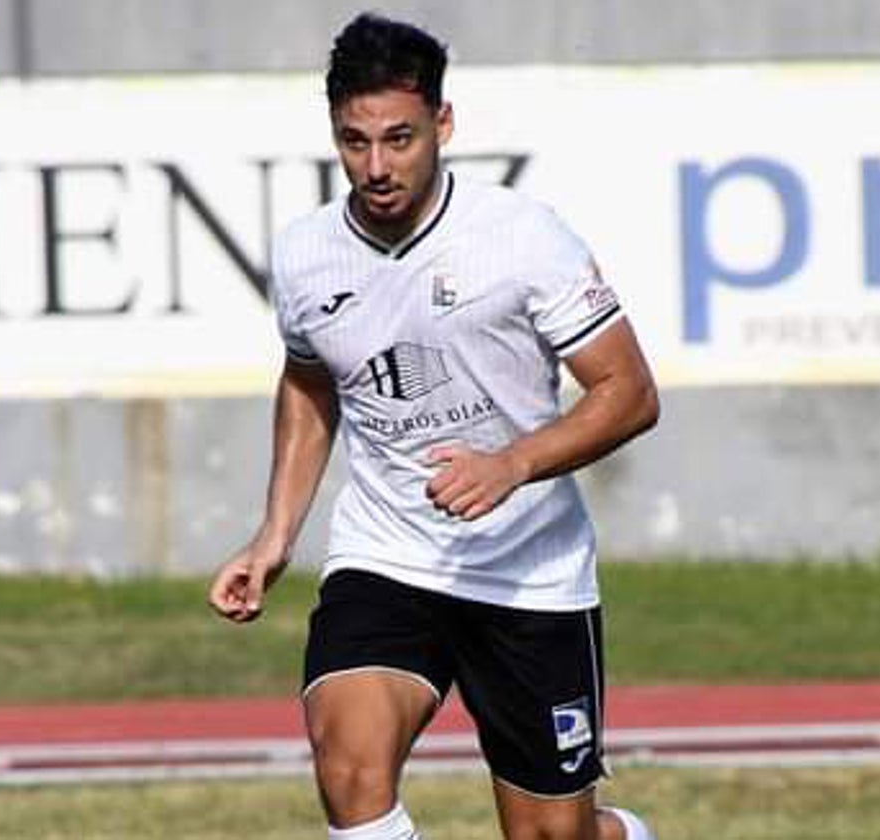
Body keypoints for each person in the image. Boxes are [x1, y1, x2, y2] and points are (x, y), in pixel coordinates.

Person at [208, 12, 660, 840]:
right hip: (388, 554)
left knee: (551, 836)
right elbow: (309, 384)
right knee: (348, 763)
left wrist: (512, 464)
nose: (376, 167)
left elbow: (629, 392)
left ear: (443, 124)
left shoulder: (523, 237)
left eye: (399, 139)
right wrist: (274, 536)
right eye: (354, 142)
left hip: (530, 572)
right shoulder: (307, 254)